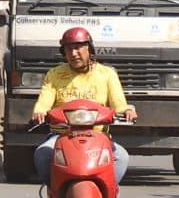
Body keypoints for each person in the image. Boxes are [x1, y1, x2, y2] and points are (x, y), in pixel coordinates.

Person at [30, 25, 134, 186]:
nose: (73, 54)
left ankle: (109, 196)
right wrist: (40, 112)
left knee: (121, 156)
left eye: (78, 48)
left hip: (97, 137)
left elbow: (119, 103)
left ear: (89, 49)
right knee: (42, 154)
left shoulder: (107, 74)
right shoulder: (54, 74)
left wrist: (126, 111)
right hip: (62, 136)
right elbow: (44, 101)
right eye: (68, 49)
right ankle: (54, 192)